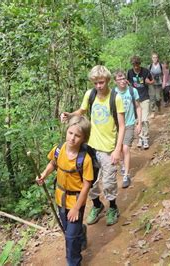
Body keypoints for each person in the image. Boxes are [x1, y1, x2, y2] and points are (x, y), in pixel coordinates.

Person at [61, 65, 125, 226]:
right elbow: (82, 111)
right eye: (95, 83)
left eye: (101, 82)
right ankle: (97, 205)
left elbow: (122, 126)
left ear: (108, 81)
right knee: (90, 180)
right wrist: (69, 115)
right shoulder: (90, 95)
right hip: (91, 147)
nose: (98, 86)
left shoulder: (115, 98)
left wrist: (118, 149)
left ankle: (113, 207)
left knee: (109, 181)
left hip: (108, 148)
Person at [36, 115, 93, 266]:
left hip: (76, 201)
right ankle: (81, 232)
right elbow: (53, 164)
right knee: (68, 229)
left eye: (77, 135)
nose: (72, 138)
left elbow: (86, 185)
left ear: (84, 139)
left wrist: (76, 208)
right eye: (70, 133)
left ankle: (74, 262)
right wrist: (43, 175)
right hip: (60, 198)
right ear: (66, 131)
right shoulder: (58, 150)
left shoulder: (84, 159)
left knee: (69, 237)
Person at [113, 70, 142, 188]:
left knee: (125, 148)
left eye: (123, 78)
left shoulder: (132, 90)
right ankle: (123, 166)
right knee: (118, 149)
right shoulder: (113, 94)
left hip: (129, 123)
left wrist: (139, 123)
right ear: (115, 81)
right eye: (119, 79)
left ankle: (126, 175)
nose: (122, 81)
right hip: (116, 125)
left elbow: (138, 107)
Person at [127, 55, 153, 150]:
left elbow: (152, 80)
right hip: (134, 99)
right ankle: (140, 138)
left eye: (137, 64)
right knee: (138, 120)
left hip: (145, 97)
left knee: (144, 119)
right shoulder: (129, 72)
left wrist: (149, 82)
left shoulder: (145, 71)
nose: (136, 66)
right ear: (132, 65)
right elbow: (128, 83)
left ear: (140, 64)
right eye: (134, 64)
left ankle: (145, 138)